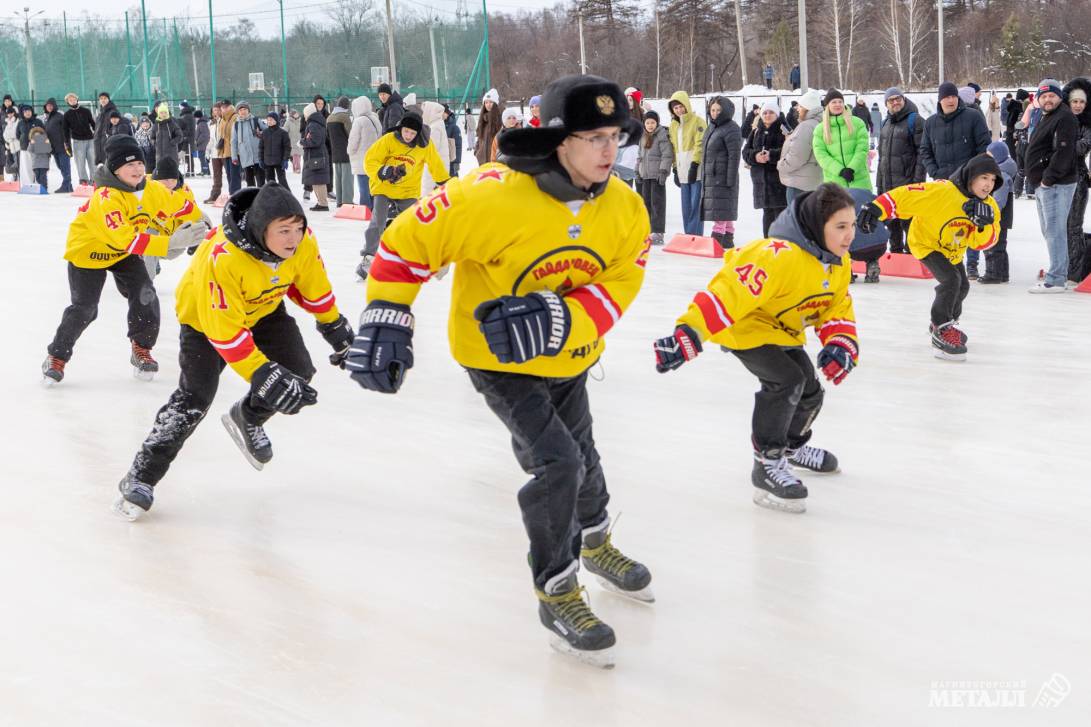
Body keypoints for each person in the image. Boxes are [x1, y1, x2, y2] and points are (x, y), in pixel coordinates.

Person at [345, 74, 651, 669]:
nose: (609, 150)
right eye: (594, 137)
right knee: (556, 462)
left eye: (616, 136)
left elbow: (624, 279)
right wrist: (387, 314)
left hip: (569, 355)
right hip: (497, 360)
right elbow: (404, 245)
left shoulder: (625, 206)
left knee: (583, 452)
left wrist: (564, 319)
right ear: (558, 139)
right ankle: (556, 590)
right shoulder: (488, 195)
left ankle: (595, 542)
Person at [113, 184, 353, 521]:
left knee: (297, 371)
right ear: (261, 229)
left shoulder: (303, 244)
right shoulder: (223, 257)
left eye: (298, 228)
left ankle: (248, 416)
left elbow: (313, 286)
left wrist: (335, 329)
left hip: (263, 308)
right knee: (195, 399)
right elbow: (225, 332)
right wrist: (261, 373)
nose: (294, 239)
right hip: (204, 320)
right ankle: (141, 475)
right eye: (284, 231)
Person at [653, 183, 859, 514]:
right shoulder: (777, 255)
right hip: (745, 326)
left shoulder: (838, 262)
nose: (850, 235)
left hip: (783, 330)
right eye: (840, 226)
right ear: (816, 225)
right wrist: (688, 334)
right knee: (786, 380)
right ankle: (767, 462)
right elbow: (728, 294)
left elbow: (837, 307)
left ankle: (791, 447)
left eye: (852, 225)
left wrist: (840, 342)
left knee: (810, 392)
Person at [41, 135, 207, 384]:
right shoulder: (107, 197)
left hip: (122, 254)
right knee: (85, 309)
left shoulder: (152, 189)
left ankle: (141, 348)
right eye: (130, 165)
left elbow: (182, 206)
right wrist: (170, 242)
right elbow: (126, 239)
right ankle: (56, 356)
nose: (137, 169)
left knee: (145, 293)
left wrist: (202, 221)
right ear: (115, 169)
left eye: (140, 163)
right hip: (89, 253)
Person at [857, 153, 1001, 359]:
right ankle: (941, 327)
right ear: (971, 176)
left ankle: (946, 324)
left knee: (963, 286)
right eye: (984, 177)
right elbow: (906, 195)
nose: (988, 184)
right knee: (951, 280)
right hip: (926, 244)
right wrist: (877, 208)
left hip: (952, 251)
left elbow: (982, 243)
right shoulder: (942, 191)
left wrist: (982, 225)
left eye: (993, 180)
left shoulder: (989, 206)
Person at [356, 111, 450, 279]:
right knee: (378, 220)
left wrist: (445, 182)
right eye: (406, 131)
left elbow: (435, 164)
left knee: (415, 222)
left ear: (418, 133)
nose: (408, 136)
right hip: (384, 187)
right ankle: (368, 257)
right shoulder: (389, 139)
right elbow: (370, 160)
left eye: (412, 133)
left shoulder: (424, 145)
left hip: (408, 190)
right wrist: (384, 171)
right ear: (401, 128)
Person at [1025, 79, 1079, 293]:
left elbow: (1064, 151)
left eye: (1052, 95)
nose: (1048, 99)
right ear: (1039, 99)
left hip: (1056, 184)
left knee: (1055, 231)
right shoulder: (1048, 115)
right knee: (1049, 231)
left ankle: (1056, 279)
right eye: (1044, 96)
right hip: (1045, 184)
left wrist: (1048, 178)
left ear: (1059, 97)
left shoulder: (1064, 117)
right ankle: (1058, 272)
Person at [140, 155, 210, 278]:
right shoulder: (145, 185)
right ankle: (146, 283)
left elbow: (195, 214)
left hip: (174, 229)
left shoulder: (184, 193)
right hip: (152, 224)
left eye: (173, 180)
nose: (170, 184)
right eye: (166, 180)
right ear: (157, 178)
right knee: (150, 249)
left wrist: (196, 239)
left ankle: (150, 256)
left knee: (174, 252)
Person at [875, 87, 924, 259]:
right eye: (891, 100)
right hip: (888, 185)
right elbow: (882, 157)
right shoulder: (885, 123)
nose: (895, 102)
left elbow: (922, 153)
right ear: (886, 104)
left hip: (908, 184)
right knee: (891, 225)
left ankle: (912, 257)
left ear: (904, 100)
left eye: (898, 99)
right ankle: (895, 256)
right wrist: (879, 185)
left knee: (910, 224)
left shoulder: (915, 120)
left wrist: (917, 182)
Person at [919, 82, 990, 181]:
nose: (951, 100)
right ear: (940, 100)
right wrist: (934, 172)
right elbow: (925, 150)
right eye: (947, 97)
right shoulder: (930, 123)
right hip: (942, 181)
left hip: (969, 180)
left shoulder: (974, 116)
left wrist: (974, 171)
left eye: (954, 96)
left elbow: (984, 146)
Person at [701, 95, 742, 249]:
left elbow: (734, 156)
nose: (715, 113)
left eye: (718, 110)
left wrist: (730, 180)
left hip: (724, 177)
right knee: (724, 209)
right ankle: (728, 239)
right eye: (713, 110)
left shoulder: (732, 128)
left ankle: (716, 240)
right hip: (713, 176)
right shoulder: (712, 127)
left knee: (720, 211)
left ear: (726, 111)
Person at [743, 101, 788, 237]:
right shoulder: (756, 131)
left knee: (780, 216)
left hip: (779, 183)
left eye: (771, 112)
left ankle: (780, 245)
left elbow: (790, 151)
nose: (768, 115)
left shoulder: (784, 130)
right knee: (767, 215)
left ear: (777, 114)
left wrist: (771, 155)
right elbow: (745, 152)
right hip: (761, 183)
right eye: (765, 113)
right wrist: (755, 156)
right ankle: (768, 245)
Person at [812, 89, 871, 191]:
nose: (838, 104)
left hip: (859, 180)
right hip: (834, 183)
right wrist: (840, 170)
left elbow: (862, 148)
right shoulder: (820, 129)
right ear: (827, 106)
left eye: (840, 101)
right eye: (834, 102)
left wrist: (852, 168)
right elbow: (821, 155)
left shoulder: (857, 123)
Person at [1063, 77, 1091, 286]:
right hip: (1058, 179)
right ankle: (1065, 265)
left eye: (1082, 102)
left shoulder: (1087, 125)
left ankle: (1076, 271)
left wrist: (1063, 144)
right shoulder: (1059, 121)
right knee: (1060, 227)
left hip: (1078, 178)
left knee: (1074, 225)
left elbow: (1082, 147)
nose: (1078, 105)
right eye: (1075, 101)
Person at [668, 90, 707, 236]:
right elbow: (673, 148)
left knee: (695, 205)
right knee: (686, 207)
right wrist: (675, 169)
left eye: (681, 106)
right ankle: (688, 235)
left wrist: (695, 164)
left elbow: (700, 144)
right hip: (682, 171)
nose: (679, 110)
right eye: (675, 108)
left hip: (695, 170)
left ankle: (695, 235)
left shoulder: (698, 121)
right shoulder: (673, 125)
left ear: (686, 105)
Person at [977, 141, 1017, 284]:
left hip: (998, 217)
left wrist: (989, 214)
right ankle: (1003, 274)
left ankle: (993, 274)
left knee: (993, 245)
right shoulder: (1000, 173)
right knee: (1000, 245)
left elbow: (999, 201)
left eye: (990, 156)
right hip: (1001, 217)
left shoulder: (1002, 176)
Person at [778, 89, 824, 206]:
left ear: (807, 107)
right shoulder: (820, 123)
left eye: (800, 106)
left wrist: (781, 165)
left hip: (800, 184)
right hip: (814, 181)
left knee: (797, 216)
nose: (797, 109)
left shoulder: (806, 126)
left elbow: (797, 156)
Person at [637, 110, 673, 246]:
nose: (650, 125)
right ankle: (648, 230)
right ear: (644, 124)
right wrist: (637, 170)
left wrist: (663, 171)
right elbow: (639, 156)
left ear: (657, 123)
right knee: (646, 204)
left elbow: (667, 155)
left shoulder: (661, 135)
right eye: (647, 123)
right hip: (645, 176)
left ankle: (658, 232)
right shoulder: (643, 136)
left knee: (657, 204)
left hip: (657, 176)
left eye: (652, 122)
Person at [346, 95, 383, 210]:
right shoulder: (375, 118)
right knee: (372, 186)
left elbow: (353, 140)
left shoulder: (359, 121)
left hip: (361, 159)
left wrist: (350, 151)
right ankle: (374, 208)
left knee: (363, 187)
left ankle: (365, 209)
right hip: (374, 158)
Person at [300, 102, 331, 211]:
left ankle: (323, 203)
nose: (304, 116)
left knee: (318, 181)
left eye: (305, 114)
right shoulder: (316, 123)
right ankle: (321, 202)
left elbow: (315, 141)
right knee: (316, 180)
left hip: (316, 156)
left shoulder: (313, 124)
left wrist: (302, 142)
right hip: (316, 155)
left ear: (308, 113)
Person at [63, 93, 95, 186]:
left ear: (77, 100)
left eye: (74, 99)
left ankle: (94, 181)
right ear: (68, 102)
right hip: (78, 141)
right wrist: (67, 143)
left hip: (90, 140)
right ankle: (84, 180)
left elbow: (93, 124)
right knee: (80, 162)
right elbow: (65, 130)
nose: (72, 101)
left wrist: (97, 134)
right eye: (70, 100)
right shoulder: (67, 115)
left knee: (93, 161)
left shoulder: (86, 111)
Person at [231, 102, 265, 188]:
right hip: (245, 157)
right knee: (250, 182)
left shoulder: (256, 120)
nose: (243, 111)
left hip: (258, 157)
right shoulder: (236, 125)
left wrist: (260, 133)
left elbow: (268, 131)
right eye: (240, 110)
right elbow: (234, 141)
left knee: (261, 181)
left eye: (245, 109)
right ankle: (252, 196)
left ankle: (261, 195)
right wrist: (234, 157)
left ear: (248, 110)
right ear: (238, 112)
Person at [327, 95, 354, 206]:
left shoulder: (329, 118)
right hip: (346, 151)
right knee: (347, 178)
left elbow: (328, 136)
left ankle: (339, 201)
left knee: (338, 178)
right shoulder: (345, 117)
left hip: (335, 151)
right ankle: (347, 201)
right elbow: (351, 134)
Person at [42, 99, 72, 193]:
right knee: (60, 166)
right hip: (54, 148)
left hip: (62, 147)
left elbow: (67, 130)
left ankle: (66, 185)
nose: (49, 107)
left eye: (51, 105)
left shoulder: (60, 116)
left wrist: (66, 143)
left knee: (65, 166)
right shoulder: (47, 118)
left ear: (54, 106)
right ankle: (69, 186)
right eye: (48, 106)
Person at [421, 101, 450, 195]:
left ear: (429, 111)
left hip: (434, 167)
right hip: (439, 164)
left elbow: (431, 149)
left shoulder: (434, 127)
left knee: (430, 194)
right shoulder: (438, 124)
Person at [260, 112, 291, 188]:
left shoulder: (283, 133)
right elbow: (261, 147)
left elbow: (287, 147)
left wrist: (285, 159)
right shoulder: (264, 133)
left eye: (271, 119)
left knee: (282, 181)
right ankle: (273, 194)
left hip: (279, 161)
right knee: (270, 183)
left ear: (276, 120)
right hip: (268, 161)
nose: (269, 121)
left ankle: (286, 194)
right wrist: (261, 159)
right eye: (268, 120)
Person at [151, 104, 182, 178]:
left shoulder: (172, 124)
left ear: (167, 113)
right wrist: (155, 143)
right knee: (160, 173)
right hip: (159, 154)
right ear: (159, 114)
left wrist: (172, 142)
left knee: (172, 171)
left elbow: (180, 136)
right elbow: (152, 137)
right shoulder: (156, 125)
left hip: (171, 153)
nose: (163, 114)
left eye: (165, 112)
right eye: (161, 113)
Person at [475, 89, 502, 165]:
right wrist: (477, 152)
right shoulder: (482, 120)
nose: (488, 104)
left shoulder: (500, 119)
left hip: (495, 161)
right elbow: (479, 138)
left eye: (491, 102)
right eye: (486, 102)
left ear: (495, 104)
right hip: (482, 161)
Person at [220, 102, 242, 194]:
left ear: (229, 107)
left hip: (235, 152)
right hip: (226, 152)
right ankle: (232, 194)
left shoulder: (235, 118)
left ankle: (236, 194)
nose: (222, 110)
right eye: (222, 108)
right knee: (229, 175)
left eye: (224, 107)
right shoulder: (223, 119)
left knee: (234, 175)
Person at [92, 92, 118, 165]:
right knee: (101, 165)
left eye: (105, 98)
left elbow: (117, 126)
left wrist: (109, 135)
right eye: (101, 99)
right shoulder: (100, 113)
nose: (103, 100)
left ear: (108, 99)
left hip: (108, 143)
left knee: (109, 164)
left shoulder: (113, 112)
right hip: (99, 144)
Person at [443, 104, 463, 178]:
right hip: (442, 160)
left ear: (447, 113)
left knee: (453, 180)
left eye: (443, 112)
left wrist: (457, 162)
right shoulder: (439, 125)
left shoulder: (454, 127)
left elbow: (458, 145)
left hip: (452, 161)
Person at [178, 101, 197, 175]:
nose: (179, 108)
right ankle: (190, 170)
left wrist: (182, 135)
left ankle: (190, 170)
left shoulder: (186, 116)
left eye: (180, 106)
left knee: (188, 155)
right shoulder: (188, 115)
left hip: (187, 138)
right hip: (189, 138)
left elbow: (187, 128)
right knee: (188, 155)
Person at [193, 110, 210, 176]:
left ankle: (205, 171)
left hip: (202, 145)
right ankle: (205, 170)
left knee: (202, 158)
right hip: (202, 144)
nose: (195, 119)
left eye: (195, 117)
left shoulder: (202, 124)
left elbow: (204, 135)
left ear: (198, 117)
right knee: (202, 158)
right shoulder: (201, 123)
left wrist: (197, 141)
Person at [288, 108, 302, 174]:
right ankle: (297, 168)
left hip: (300, 141)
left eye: (297, 113)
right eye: (295, 114)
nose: (296, 115)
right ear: (292, 115)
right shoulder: (288, 122)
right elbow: (284, 130)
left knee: (298, 156)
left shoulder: (300, 121)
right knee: (295, 155)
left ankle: (295, 169)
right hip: (292, 141)